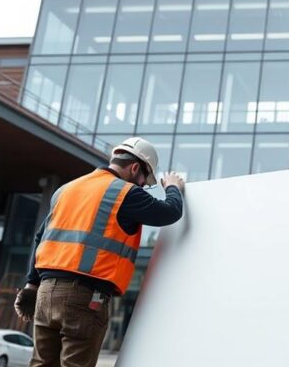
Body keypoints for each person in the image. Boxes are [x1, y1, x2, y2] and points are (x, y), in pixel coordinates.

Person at [14, 137, 186, 367]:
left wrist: (31, 285)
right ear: (135, 168)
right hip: (84, 298)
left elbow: (40, 237)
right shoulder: (126, 193)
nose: (143, 186)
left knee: (41, 364)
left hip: (46, 294)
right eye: (145, 180)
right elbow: (169, 213)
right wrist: (174, 187)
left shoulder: (66, 189)